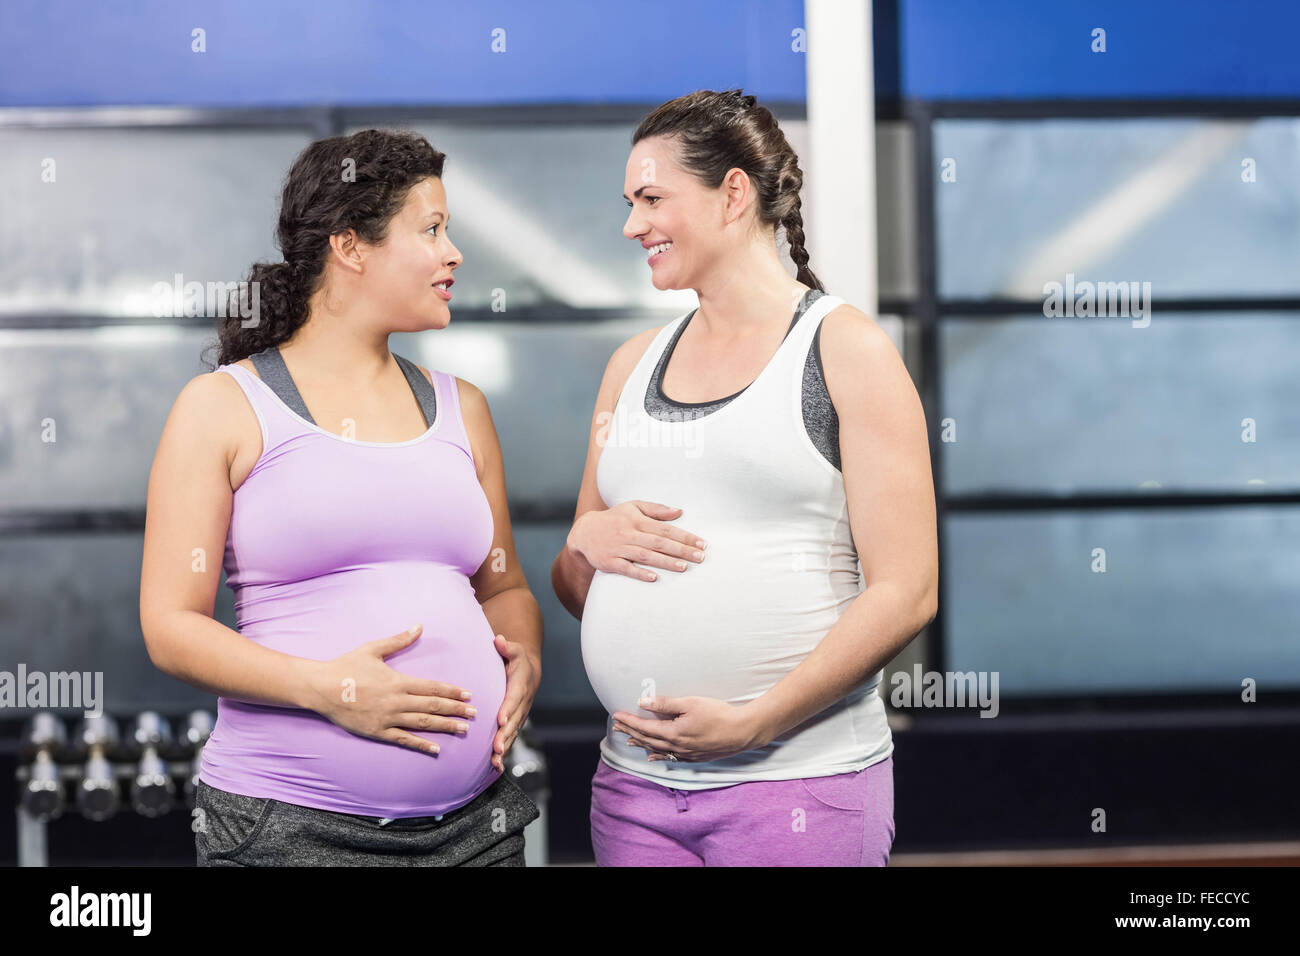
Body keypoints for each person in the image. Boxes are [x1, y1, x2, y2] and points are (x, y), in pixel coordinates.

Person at [552, 90, 938, 866]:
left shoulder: (844, 348)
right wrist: (582, 543)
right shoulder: (631, 365)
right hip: (636, 793)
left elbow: (908, 590)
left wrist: (758, 719)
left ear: (733, 193)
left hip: (798, 786)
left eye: (653, 199)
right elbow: (575, 582)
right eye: (630, 203)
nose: (633, 225)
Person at [140, 129, 542, 866]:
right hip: (293, 829)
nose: (454, 253)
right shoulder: (223, 407)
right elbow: (169, 625)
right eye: (432, 230)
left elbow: (504, 584)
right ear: (350, 246)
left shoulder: (464, 407)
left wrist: (526, 659)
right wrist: (326, 688)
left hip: (474, 828)